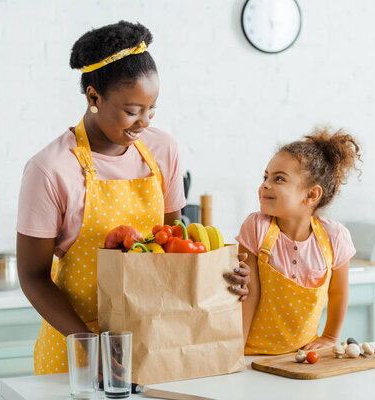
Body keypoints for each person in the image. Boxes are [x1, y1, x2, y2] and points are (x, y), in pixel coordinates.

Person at [16, 21, 249, 375]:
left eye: (152, 107)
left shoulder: (163, 149)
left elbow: (173, 248)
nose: (144, 121)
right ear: (94, 97)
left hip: (151, 340)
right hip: (78, 352)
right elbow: (32, 276)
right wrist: (92, 348)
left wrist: (220, 275)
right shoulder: (50, 170)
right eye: (131, 110)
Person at [238, 127, 361, 355]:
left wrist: (330, 337)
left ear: (311, 195)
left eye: (279, 179)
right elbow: (249, 293)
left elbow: (338, 293)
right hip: (252, 354)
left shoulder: (335, 237)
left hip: (301, 356)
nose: (265, 184)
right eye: (265, 177)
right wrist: (235, 351)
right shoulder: (257, 228)